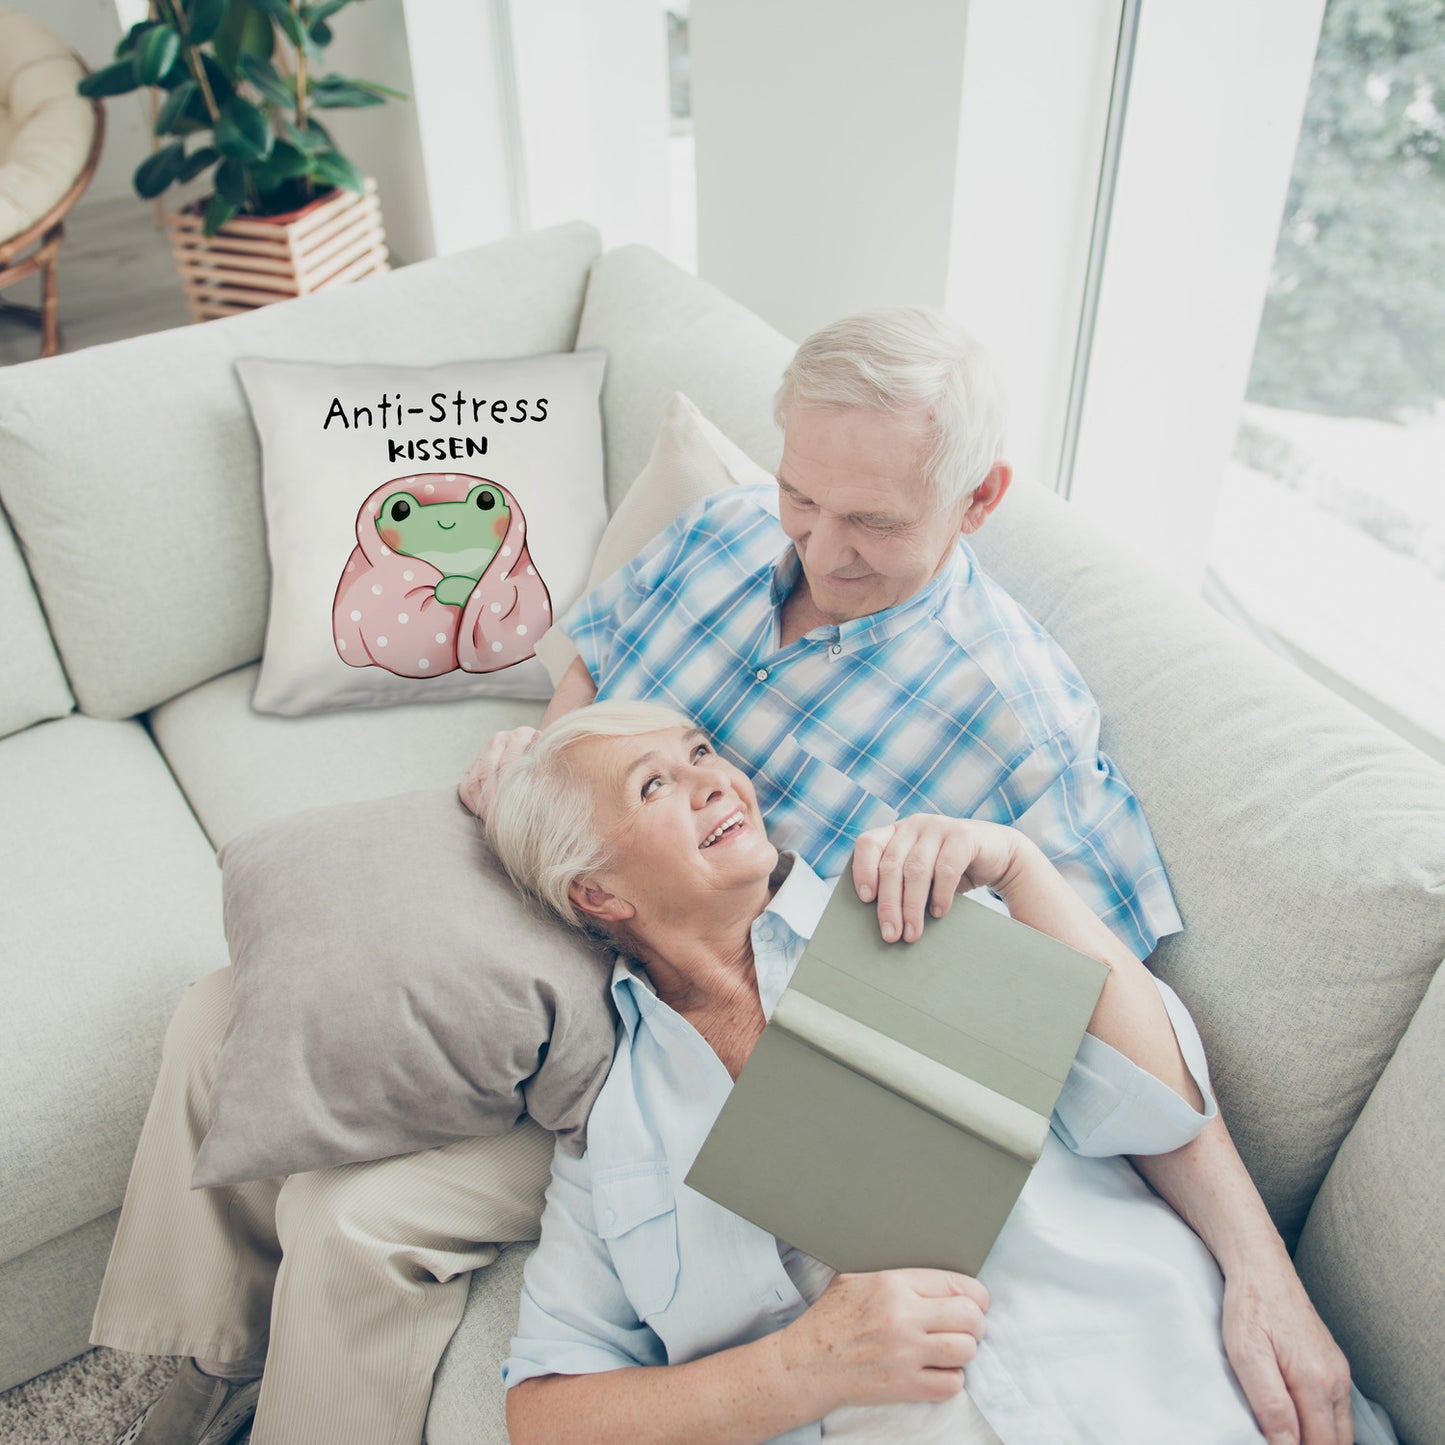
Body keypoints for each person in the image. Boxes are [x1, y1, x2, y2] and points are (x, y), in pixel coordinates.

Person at [94, 309, 1349, 1445]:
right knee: (229, 1007)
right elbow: (591, 665)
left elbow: (1102, 1019)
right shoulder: (725, 532)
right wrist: (546, 765)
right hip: (580, 886)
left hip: (694, 1012)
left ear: (976, 501)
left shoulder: (1017, 725)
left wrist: (1259, 1266)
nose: (819, 545)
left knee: (355, 1219)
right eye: (804, 495)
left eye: (871, 520)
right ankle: (194, 1362)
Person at [486, 701, 1386, 1445]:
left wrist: (1021, 869)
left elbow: (1158, 1106)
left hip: (1173, 1394)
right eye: (655, 784)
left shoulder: (909, 907)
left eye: (700, 751)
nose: (715, 779)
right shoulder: (615, 1131)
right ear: (597, 893)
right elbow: (545, 1414)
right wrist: (803, 1366)